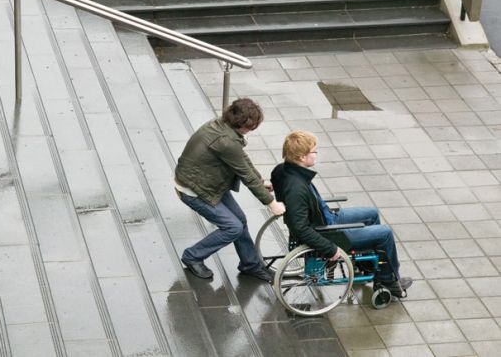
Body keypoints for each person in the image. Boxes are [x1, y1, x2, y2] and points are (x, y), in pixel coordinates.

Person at [271, 130, 412, 298]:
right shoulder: (296, 189)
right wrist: (330, 249)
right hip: (328, 232)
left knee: (372, 214)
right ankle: (389, 281)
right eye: (314, 152)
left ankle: (369, 266)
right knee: (385, 233)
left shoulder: (282, 170)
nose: (316, 155)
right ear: (302, 157)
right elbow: (300, 228)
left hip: (324, 217)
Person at [175, 98, 286, 282]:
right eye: (251, 126)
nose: (252, 130)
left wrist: (260, 180)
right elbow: (246, 175)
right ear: (242, 124)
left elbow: (242, 159)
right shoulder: (226, 141)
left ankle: (250, 265)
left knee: (240, 220)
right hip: (194, 190)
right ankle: (192, 256)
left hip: (208, 183)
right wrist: (271, 203)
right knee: (232, 227)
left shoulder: (223, 125)